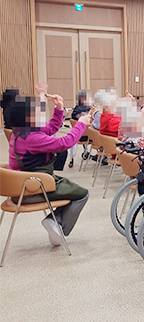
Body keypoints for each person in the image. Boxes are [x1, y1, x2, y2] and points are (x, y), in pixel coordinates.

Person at [6, 93, 92, 245]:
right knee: (81, 194)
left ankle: (55, 223)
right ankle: (57, 226)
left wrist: (59, 109)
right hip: (31, 188)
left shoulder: (21, 131)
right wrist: (81, 124)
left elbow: (51, 128)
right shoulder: (32, 138)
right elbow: (66, 142)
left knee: (70, 190)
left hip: (25, 183)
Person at [67, 89, 92, 168]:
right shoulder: (83, 112)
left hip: (79, 134)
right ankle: (102, 155)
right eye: (89, 97)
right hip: (86, 136)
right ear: (83, 99)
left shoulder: (76, 109)